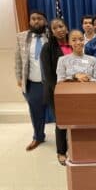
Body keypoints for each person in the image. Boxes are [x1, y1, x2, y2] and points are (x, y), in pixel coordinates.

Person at [15, 10, 48, 151]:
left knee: (60, 112)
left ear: (45, 21)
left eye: (39, 18)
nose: (36, 21)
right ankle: (38, 137)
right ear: (30, 21)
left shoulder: (52, 36)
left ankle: (64, 140)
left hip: (52, 83)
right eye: (33, 19)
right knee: (35, 112)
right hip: (32, 83)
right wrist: (19, 78)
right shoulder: (22, 37)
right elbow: (18, 59)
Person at [40, 18, 72, 166]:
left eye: (61, 26)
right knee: (61, 122)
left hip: (73, 91)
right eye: (55, 28)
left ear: (66, 28)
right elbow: (48, 75)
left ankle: (73, 146)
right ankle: (61, 152)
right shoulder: (47, 48)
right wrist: (59, 92)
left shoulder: (73, 44)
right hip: (55, 92)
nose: (59, 30)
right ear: (51, 32)